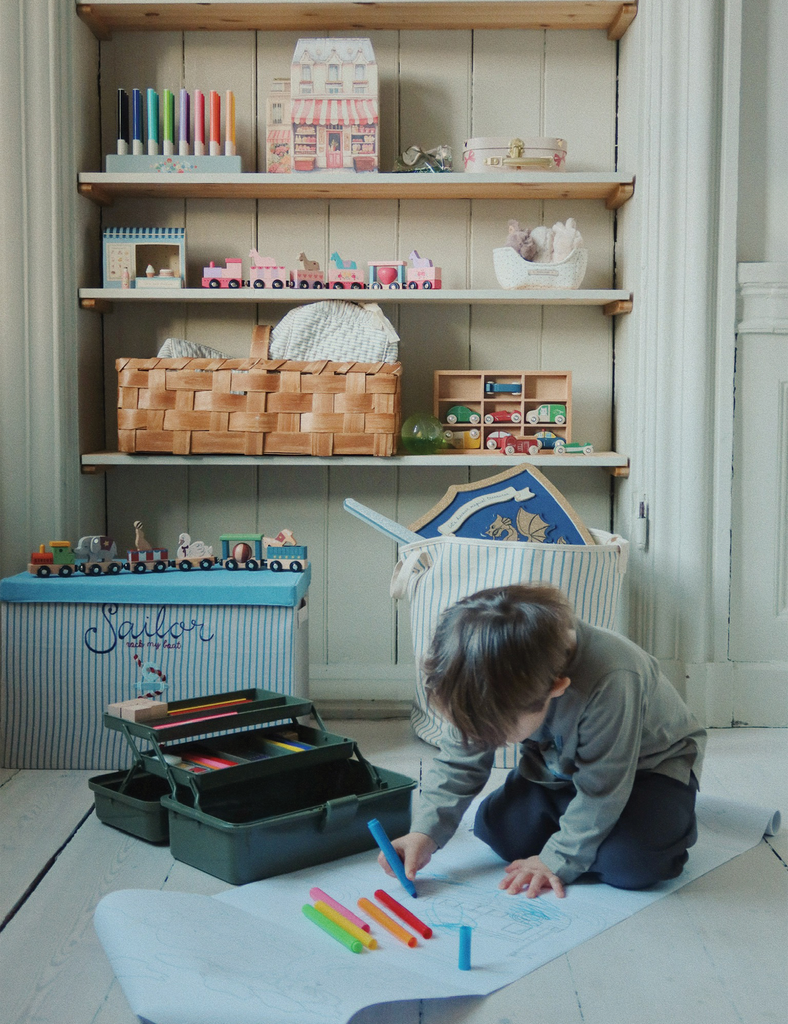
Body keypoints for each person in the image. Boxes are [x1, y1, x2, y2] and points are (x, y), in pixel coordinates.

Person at [379, 583, 706, 899]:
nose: (482, 739)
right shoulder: (482, 675)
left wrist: (556, 859)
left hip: (647, 771)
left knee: (635, 866)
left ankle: (665, 822)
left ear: (556, 688)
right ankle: (583, 828)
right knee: (495, 827)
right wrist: (424, 833)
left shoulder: (614, 676)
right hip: (563, 770)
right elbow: (458, 761)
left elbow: (604, 786)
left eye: (495, 732)